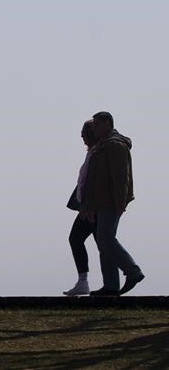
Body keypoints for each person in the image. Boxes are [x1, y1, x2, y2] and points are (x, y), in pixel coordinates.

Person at [81, 111, 143, 296]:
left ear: (107, 123)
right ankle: (110, 286)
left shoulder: (115, 145)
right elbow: (95, 178)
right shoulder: (102, 146)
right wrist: (89, 204)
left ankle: (132, 271)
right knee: (103, 241)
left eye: (97, 125)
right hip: (101, 202)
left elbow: (120, 177)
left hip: (111, 201)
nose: (95, 129)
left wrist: (119, 202)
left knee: (106, 238)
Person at [63, 120, 99, 296]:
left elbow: (93, 182)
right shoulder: (92, 153)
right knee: (82, 240)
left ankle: (130, 271)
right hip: (87, 206)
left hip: (92, 207)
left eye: (84, 134)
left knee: (81, 239)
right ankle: (84, 281)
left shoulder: (98, 153)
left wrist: (89, 205)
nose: (82, 137)